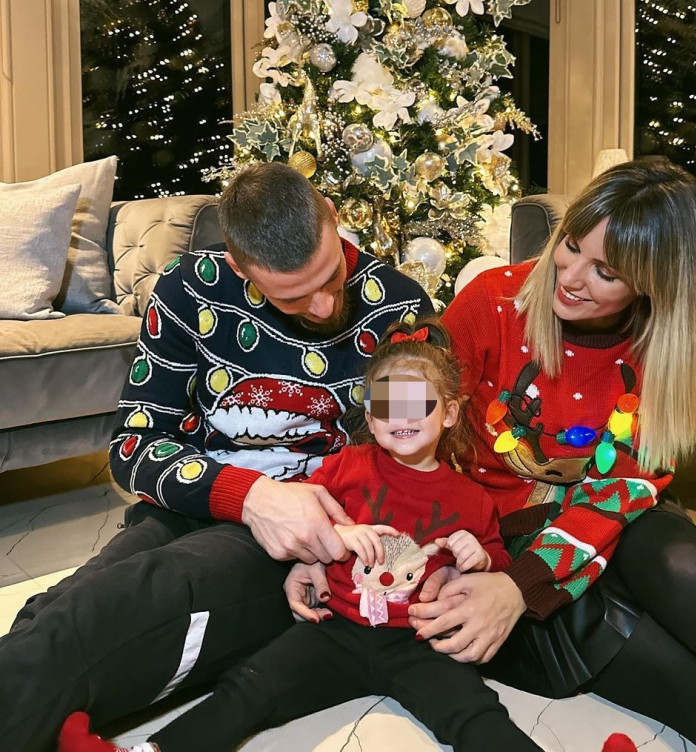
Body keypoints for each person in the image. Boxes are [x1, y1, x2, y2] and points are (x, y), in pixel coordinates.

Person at [0, 163, 433, 752]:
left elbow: (412, 462)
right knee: (55, 612)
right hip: (195, 499)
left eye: (329, 276)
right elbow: (133, 445)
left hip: (306, 541)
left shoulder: (399, 311)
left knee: (105, 613)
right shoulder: (188, 288)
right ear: (238, 265)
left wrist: (333, 534)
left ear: (331, 213)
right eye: (294, 295)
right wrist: (251, 496)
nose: (326, 304)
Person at [399, 159, 696, 752]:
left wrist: (522, 586)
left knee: (684, 568)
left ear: (655, 284)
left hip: (614, 505)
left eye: (605, 269)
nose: (570, 275)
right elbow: (403, 415)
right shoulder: (493, 300)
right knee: (671, 674)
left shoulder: (666, 348)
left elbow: (626, 490)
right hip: (499, 525)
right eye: (570, 244)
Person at [57, 321, 551, 752]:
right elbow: (300, 512)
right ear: (372, 418)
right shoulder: (347, 466)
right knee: (246, 687)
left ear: (448, 413)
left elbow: (494, 560)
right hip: (334, 631)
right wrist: (336, 533)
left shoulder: (471, 498)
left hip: (420, 643)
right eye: (386, 405)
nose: (400, 417)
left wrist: (477, 560)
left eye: (416, 403)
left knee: (477, 714)